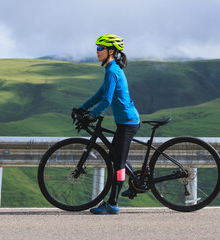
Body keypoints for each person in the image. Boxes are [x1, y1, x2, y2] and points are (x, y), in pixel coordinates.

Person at [72, 33, 140, 214]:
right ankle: (134, 182)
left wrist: (92, 115)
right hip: (124, 122)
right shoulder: (111, 69)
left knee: (117, 164)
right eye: (96, 48)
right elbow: (100, 94)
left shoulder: (112, 71)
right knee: (116, 157)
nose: (96, 51)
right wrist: (82, 108)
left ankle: (113, 204)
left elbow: (107, 100)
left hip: (128, 122)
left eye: (100, 48)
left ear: (111, 51)